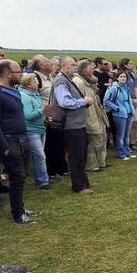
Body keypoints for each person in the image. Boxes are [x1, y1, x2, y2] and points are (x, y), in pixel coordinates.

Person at [0, 60, 37, 224]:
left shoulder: (13, 91)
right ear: (7, 73)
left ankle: (20, 208)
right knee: (16, 176)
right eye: (17, 72)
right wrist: (4, 147)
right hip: (10, 140)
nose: (20, 75)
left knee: (22, 176)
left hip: (22, 138)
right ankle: (18, 214)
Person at [52, 57, 94, 194]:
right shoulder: (61, 81)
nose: (75, 67)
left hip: (78, 124)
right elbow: (64, 102)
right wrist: (83, 101)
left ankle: (84, 181)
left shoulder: (68, 79)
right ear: (64, 66)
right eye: (72, 65)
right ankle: (79, 185)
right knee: (76, 156)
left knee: (82, 154)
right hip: (70, 125)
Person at [73, 61, 110, 171]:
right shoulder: (78, 82)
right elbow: (78, 101)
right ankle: (92, 165)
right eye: (91, 69)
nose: (93, 71)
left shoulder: (87, 81)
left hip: (98, 116)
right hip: (90, 118)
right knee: (94, 143)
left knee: (102, 140)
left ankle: (101, 162)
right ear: (84, 71)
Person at [18, 73, 49, 189]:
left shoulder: (34, 94)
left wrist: (45, 116)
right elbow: (28, 115)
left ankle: (40, 178)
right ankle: (43, 181)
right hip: (31, 130)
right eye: (35, 81)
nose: (37, 83)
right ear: (29, 84)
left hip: (40, 128)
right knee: (40, 156)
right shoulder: (25, 97)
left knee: (39, 156)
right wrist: (42, 109)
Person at [103, 71, 135, 161]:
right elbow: (106, 100)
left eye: (124, 77)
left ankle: (127, 151)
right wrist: (116, 108)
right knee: (120, 135)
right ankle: (121, 153)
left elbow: (128, 99)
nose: (123, 78)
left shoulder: (126, 87)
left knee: (127, 134)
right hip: (119, 114)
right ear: (117, 78)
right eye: (121, 76)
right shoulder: (113, 88)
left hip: (128, 112)